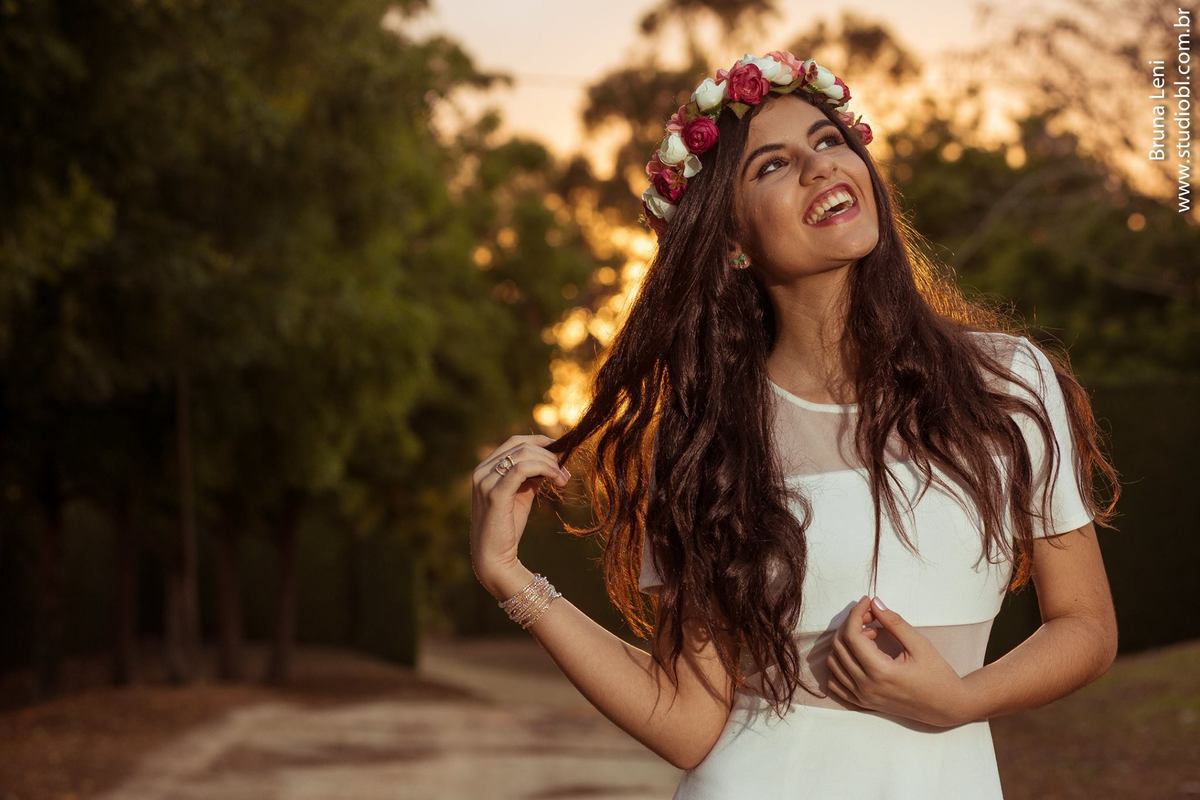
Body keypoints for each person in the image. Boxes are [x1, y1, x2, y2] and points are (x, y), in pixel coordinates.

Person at [469, 50, 1121, 798]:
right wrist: (511, 580)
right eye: (772, 167)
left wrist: (962, 701)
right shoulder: (704, 437)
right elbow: (687, 720)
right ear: (733, 243)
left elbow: (1085, 626)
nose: (819, 168)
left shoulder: (1007, 381)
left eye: (829, 141)